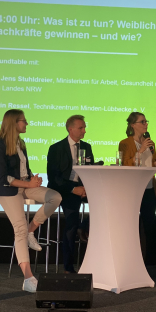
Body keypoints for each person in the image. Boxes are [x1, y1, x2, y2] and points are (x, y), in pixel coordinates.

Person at [0, 109, 62, 293]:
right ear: (13, 123)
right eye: (23, 121)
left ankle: (32, 231)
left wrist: (33, 179)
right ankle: (29, 278)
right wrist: (27, 183)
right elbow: (3, 178)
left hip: (25, 186)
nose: (27, 123)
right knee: (19, 228)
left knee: (55, 197)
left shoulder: (21, 144)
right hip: (7, 191)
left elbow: (24, 170)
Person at [47, 115, 94, 274]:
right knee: (71, 222)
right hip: (65, 190)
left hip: (83, 188)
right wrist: (74, 189)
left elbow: (90, 172)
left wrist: (86, 187)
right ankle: (68, 267)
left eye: (84, 127)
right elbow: (54, 179)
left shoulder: (87, 147)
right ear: (70, 129)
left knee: (104, 205)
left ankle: (84, 226)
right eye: (81, 128)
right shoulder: (56, 148)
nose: (84, 131)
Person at [118, 112, 156, 261]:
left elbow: (151, 166)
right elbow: (125, 164)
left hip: (149, 188)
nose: (146, 124)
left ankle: (144, 260)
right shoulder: (125, 143)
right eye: (142, 121)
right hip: (133, 189)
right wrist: (140, 151)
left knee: (148, 225)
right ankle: (130, 258)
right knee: (132, 226)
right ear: (133, 125)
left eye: (146, 121)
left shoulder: (150, 143)